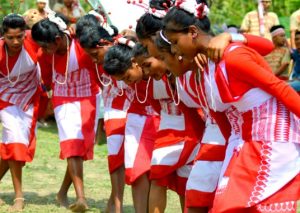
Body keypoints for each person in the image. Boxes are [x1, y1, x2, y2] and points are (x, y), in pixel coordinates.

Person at [162, 0, 300, 212]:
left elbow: (279, 89)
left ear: (192, 32)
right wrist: (231, 155)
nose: (174, 50)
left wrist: (231, 35)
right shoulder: (207, 68)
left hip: (271, 139)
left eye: (174, 42)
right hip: (245, 141)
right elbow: (221, 117)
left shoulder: (233, 56)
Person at [31, 14, 101, 212]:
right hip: (63, 99)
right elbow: (45, 79)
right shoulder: (44, 54)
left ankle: (62, 192)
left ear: (58, 39)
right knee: (72, 145)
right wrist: (50, 100)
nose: (43, 50)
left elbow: (96, 22)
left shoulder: (81, 43)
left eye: (46, 46)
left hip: (89, 97)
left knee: (79, 149)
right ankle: (81, 198)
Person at [76, 15, 129, 213]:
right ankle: (116, 204)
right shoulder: (96, 62)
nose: (92, 59)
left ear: (104, 43)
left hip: (137, 110)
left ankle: (117, 202)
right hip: (112, 109)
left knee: (131, 161)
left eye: (93, 53)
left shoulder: (125, 50)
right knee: (115, 157)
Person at [104, 37, 160, 213]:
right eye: (122, 80)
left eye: (127, 77)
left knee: (156, 176)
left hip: (161, 121)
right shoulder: (130, 75)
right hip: (137, 120)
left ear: (135, 63)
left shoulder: (156, 68)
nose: (127, 83)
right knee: (137, 171)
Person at [0, 14, 41, 211]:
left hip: (30, 99)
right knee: (15, 141)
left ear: (25, 34)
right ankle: (19, 197)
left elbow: (59, 39)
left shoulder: (34, 40)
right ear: (3, 36)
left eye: (19, 37)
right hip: (5, 98)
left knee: (15, 146)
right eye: (10, 38)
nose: (15, 42)